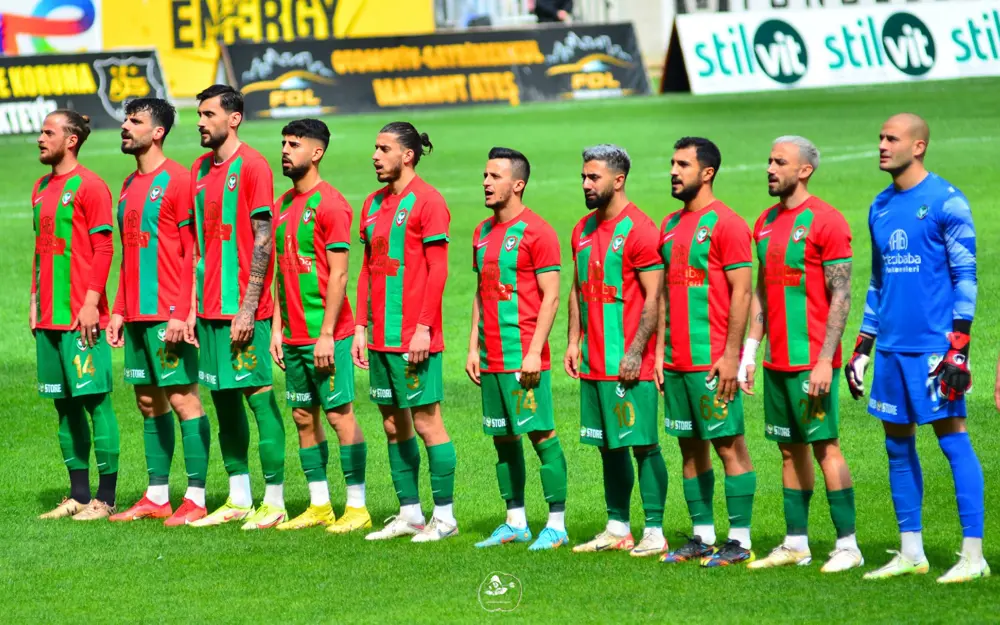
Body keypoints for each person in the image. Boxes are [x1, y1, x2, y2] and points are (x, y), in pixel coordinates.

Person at [845, 114, 987, 583]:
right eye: (880, 137)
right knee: (896, 445)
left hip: (933, 349)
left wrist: (958, 349)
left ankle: (973, 556)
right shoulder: (880, 205)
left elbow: (966, 277)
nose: (882, 145)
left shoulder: (947, 201)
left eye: (892, 138)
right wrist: (863, 346)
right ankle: (912, 553)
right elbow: (878, 282)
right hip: (891, 348)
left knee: (953, 440)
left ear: (918, 146)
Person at [739, 136, 863, 573]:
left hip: (812, 361)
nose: (770, 168)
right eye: (769, 160)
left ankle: (848, 545)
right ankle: (796, 543)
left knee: (826, 447)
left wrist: (826, 360)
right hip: (776, 361)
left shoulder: (827, 221)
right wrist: (750, 351)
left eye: (780, 162)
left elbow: (841, 294)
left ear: (804, 170)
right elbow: (762, 289)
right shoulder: (765, 221)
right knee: (790, 451)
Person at [105, 98, 211, 526]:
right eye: (126, 120)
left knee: (183, 399)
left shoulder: (179, 180)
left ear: (158, 132)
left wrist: (182, 312)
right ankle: (156, 496)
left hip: (169, 313)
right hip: (136, 315)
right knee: (148, 401)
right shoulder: (128, 184)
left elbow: (192, 252)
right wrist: (118, 309)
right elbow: (129, 253)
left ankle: (197, 497)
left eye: (136, 121)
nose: (125, 127)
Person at [187, 85, 287, 530]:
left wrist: (248, 308)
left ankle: (276, 500)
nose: (200, 122)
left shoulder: (253, 166)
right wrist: (193, 307)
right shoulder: (199, 169)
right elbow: (198, 245)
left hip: (243, 310)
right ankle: (239, 497)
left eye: (208, 114)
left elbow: (264, 241)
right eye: (199, 114)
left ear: (234, 118)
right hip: (208, 310)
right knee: (224, 402)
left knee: (258, 399)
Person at [353, 122, 457, 543]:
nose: (375, 156)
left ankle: (445, 518)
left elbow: (438, 270)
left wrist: (424, 328)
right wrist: (360, 326)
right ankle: (411, 514)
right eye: (375, 148)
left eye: (384, 149)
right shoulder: (372, 203)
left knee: (427, 423)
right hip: (380, 337)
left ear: (408, 155)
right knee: (393, 425)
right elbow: (368, 269)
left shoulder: (429, 201)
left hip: (414, 337)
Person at [268, 119, 371, 533]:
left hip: (328, 335)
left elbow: (340, 275)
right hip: (293, 335)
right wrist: (277, 327)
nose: (285, 150)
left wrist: (327, 334)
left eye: (294, 144)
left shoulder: (331, 204)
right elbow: (283, 271)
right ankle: (320, 505)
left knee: (339, 416)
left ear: (317, 152)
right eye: (283, 143)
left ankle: (358, 507)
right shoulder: (281, 204)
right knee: (302, 416)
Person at [658, 137, 756, 567]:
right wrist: (659, 353)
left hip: (712, 359)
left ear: (707, 172)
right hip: (675, 359)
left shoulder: (727, 224)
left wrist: (732, 355)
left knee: (729, 445)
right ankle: (702, 535)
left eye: (683, 164)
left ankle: (740, 539)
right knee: (689, 447)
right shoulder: (669, 225)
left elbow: (742, 292)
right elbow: (664, 293)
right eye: (672, 163)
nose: (673, 171)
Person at [565, 144, 668, 557]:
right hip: (594, 360)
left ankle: (655, 529)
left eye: (594, 177)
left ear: (618, 180)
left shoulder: (640, 229)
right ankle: (617, 527)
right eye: (584, 176)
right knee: (609, 444)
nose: (586, 184)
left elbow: (655, 296)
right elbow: (578, 288)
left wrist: (637, 352)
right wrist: (573, 340)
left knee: (643, 444)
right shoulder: (581, 229)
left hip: (629, 361)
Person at [465, 147, 569, 551]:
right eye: (484, 175)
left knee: (541, 435)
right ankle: (516, 522)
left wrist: (534, 352)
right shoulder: (481, 232)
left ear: (518, 184)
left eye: (495, 176)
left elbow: (551, 297)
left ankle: (556, 525)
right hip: (490, 356)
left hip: (523, 355)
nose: (486, 182)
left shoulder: (538, 232)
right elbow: (481, 292)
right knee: (503, 439)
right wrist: (473, 348)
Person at [32, 110, 120, 521]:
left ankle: (107, 497)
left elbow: (104, 248)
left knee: (95, 402)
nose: (40, 138)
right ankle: (79, 495)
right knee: (64, 406)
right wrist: (34, 300)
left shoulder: (90, 186)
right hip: (48, 319)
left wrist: (90, 303)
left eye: (48, 132)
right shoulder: (39, 188)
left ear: (71, 140)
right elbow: (41, 249)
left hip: (81, 318)